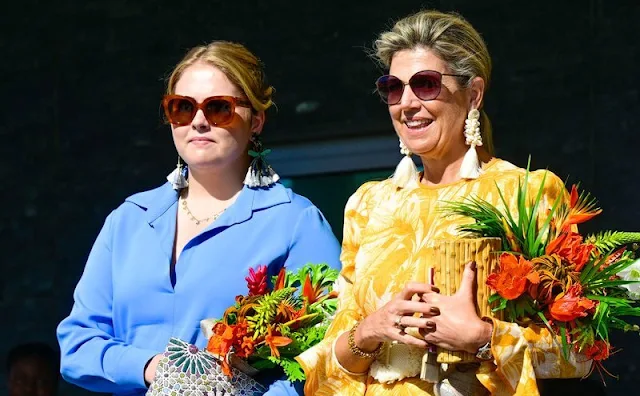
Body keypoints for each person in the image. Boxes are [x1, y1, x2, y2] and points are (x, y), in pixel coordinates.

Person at [297, 10, 596, 396]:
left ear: (473, 94)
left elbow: (582, 351)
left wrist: (484, 337)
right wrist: (369, 332)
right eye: (392, 87)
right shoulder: (368, 203)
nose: (406, 103)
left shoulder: (526, 194)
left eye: (425, 84)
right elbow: (327, 364)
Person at [56, 41, 342, 396]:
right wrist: (151, 367)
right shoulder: (129, 220)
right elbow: (77, 346)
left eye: (219, 108)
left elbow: (327, 356)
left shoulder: (295, 222)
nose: (199, 121)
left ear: (256, 120)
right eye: (182, 108)